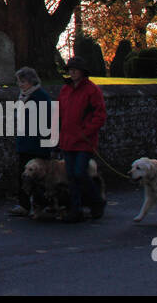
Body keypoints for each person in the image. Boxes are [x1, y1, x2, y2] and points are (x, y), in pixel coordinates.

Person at [56, 55, 106, 222]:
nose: (72, 73)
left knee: (79, 173)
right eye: (70, 70)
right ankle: (75, 209)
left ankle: (96, 202)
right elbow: (61, 114)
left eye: (75, 70)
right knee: (71, 175)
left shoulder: (92, 90)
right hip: (68, 139)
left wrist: (86, 131)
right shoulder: (66, 90)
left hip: (84, 140)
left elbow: (100, 115)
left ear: (82, 72)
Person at [8, 67, 53, 217]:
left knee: (39, 178)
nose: (20, 84)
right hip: (25, 142)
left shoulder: (40, 96)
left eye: (23, 81)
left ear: (31, 81)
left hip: (37, 144)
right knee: (23, 175)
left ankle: (41, 206)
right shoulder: (24, 96)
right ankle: (24, 204)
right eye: (19, 81)